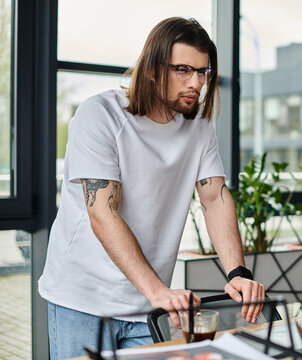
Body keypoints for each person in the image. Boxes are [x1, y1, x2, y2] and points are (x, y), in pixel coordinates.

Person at [38, 17, 265, 359]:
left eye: (203, 72)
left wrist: (238, 272)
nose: (196, 83)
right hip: (82, 298)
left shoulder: (200, 127)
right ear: (153, 70)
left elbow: (214, 199)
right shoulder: (99, 115)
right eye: (183, 70)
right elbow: (103, 211)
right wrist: (159, 291)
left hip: (149, 305)